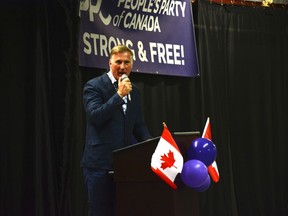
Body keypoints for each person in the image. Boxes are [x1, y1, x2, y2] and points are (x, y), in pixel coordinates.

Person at [81, 45, 152, 216]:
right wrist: (119, 95)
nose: (122, 66)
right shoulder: (94, 86)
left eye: (126, 62)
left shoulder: (134, 91)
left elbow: (138, 125)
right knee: (100, 212)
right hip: (99, 165)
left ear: (132, 65)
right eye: (118, 62)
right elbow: (95, 116)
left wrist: (153, 145)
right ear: (110, 63)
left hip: (124, 164)